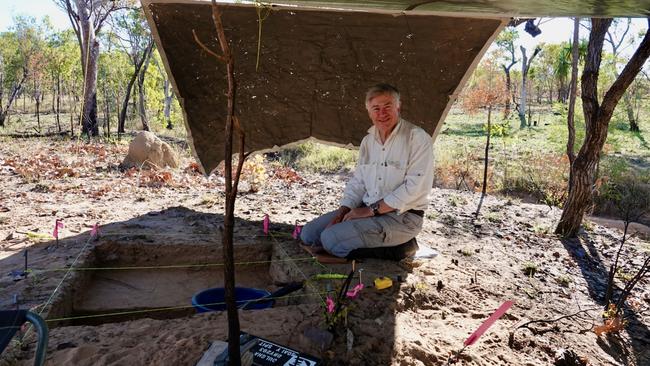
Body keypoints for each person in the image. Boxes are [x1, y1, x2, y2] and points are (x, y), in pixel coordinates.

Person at [300, 83, 434, 262]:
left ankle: (404, 247)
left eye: (387, 107)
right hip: (367, 210)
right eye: (376, 109)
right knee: (309, 234)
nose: (382, 113)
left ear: (398, 107)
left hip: (403, 218)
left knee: (330, 240)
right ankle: (366, 238)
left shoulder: (417, 138)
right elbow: (359, 182)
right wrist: (341, 215)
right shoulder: (368, 141)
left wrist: (369, 211)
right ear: (369, 113)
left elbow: (414, 189)